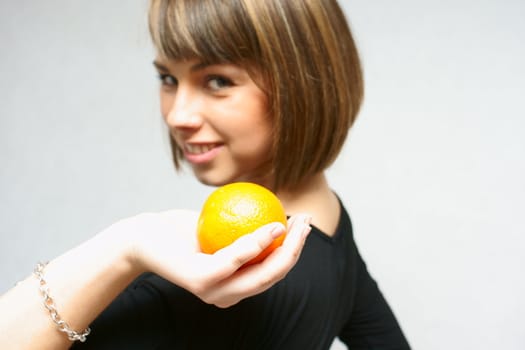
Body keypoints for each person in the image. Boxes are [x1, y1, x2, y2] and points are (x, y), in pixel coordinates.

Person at [0, 0, 410, 349]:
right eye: (168, 79)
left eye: (217, 81)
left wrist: (125, 245)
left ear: (301, 86)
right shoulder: (329, 224)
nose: (178, 116)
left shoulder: (207, 289)